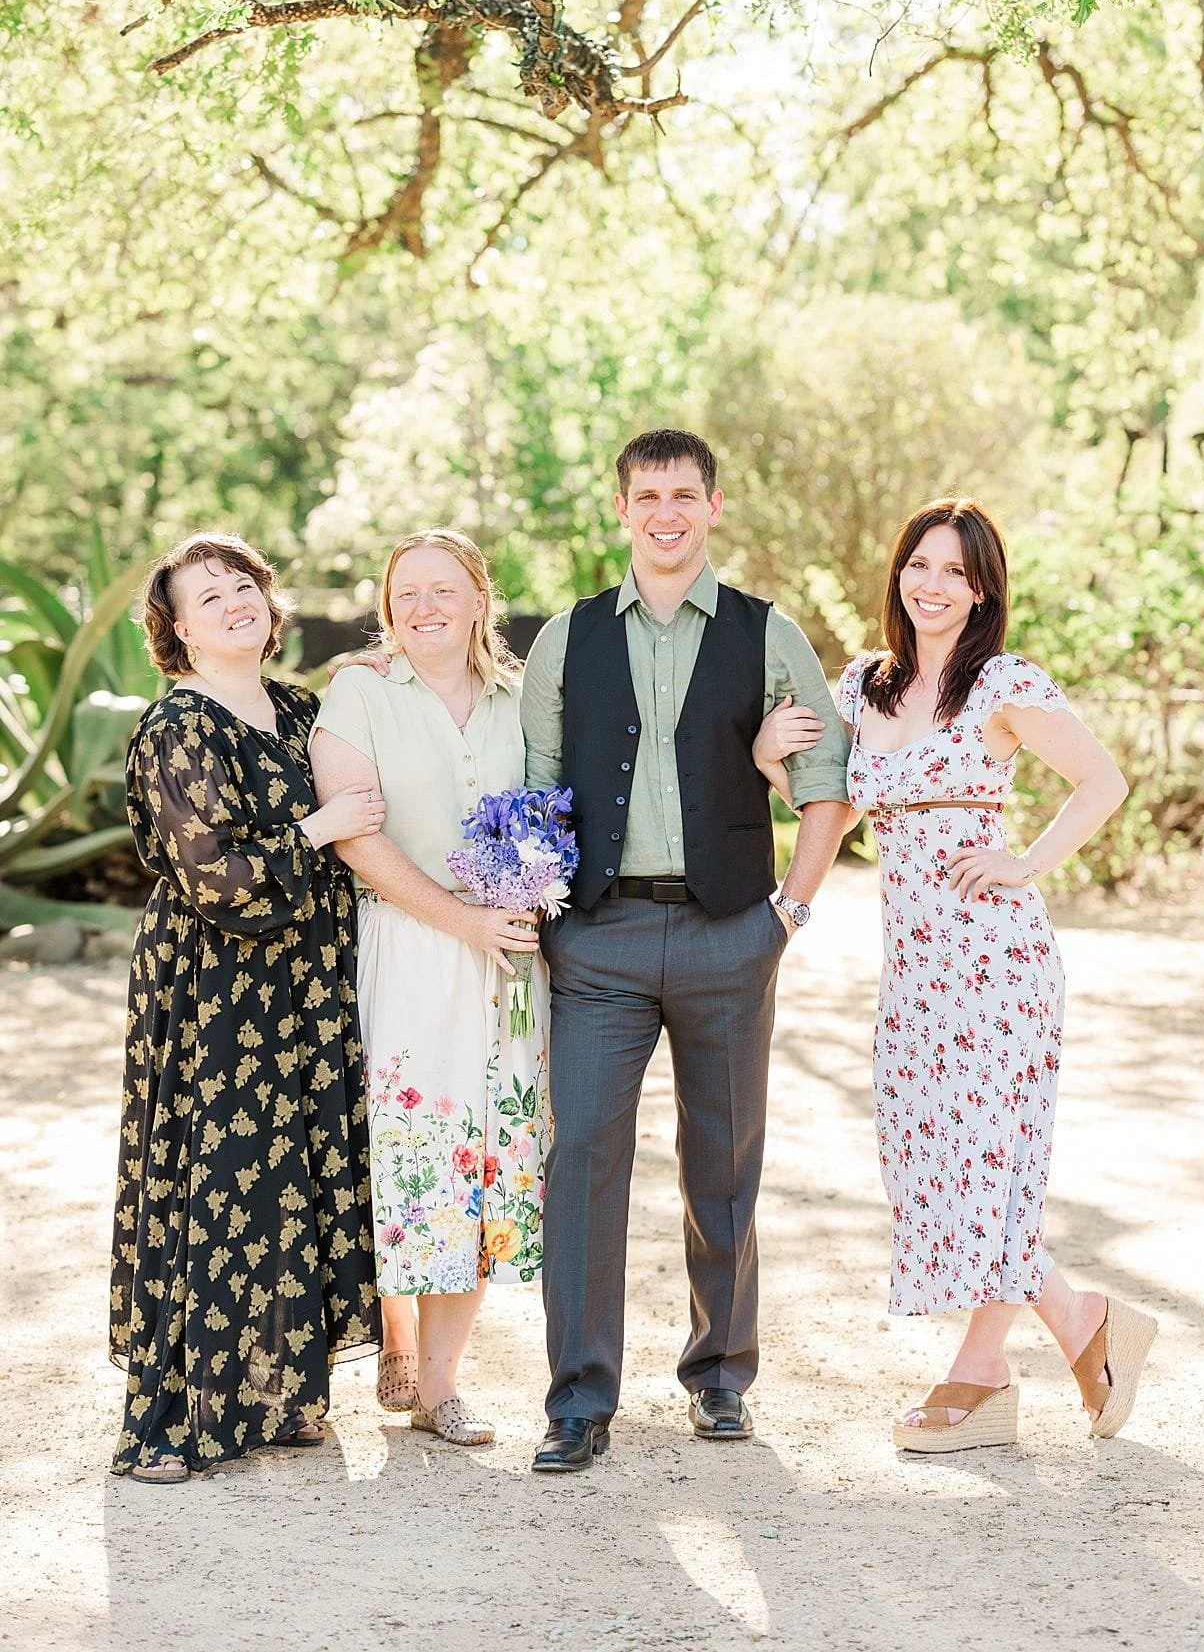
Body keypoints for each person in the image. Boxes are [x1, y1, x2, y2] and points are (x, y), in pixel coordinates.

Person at [754, 498, 1147, 1451]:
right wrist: (770, 761)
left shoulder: (1003, 683)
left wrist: (1027, 861)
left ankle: (981, 1371)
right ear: (900, 573)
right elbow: (834, 806)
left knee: (990, 1164)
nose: (932, 585)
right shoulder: (864, 687)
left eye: (956, 573)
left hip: (998, 962)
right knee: (930, 1161)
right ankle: (1081, 1321)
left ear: (981, 592)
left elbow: (1103, 781)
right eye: (920, 565)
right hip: (915, 970)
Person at [521, 430, 854, 1472]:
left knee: (724, 1162)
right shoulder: (567, 637)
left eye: (683, 494)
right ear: (621, 509)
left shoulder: (767, 631)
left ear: (713, 506)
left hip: (728, 935)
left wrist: (788, 915)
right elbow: (537, 792)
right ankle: (579, 1399)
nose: (664, 512)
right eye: (647, 495)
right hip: (600, 939)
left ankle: (720, 1376)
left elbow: (829, 782)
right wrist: (547, 923)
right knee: (582, 1160)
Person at [110, 533, 385, 1482]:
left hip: (304, 980)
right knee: (212, 1179)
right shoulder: (177, 726)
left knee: (293, 1172)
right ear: (180, 630)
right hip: (214, 984)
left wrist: (376, 679)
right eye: (209, 595)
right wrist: (319, 827)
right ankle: (168, 1419)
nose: (235, 601)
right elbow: (214, 874)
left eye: (244, 584)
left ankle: (277, 1393)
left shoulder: (301, 709)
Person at [314, 530, 547, 1448]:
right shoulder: (361, 692)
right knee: (412, 1150)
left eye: (444, 589)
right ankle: (396, 1330)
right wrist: (462, 920)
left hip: (509, 961)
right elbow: (355, 839)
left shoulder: (524, 698)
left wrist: (526, 905)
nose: (424, 606)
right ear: (387, 606)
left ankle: (441, 1385)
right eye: (405, 592)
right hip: (410, 949)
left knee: (486, 1159)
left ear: (480, 598)